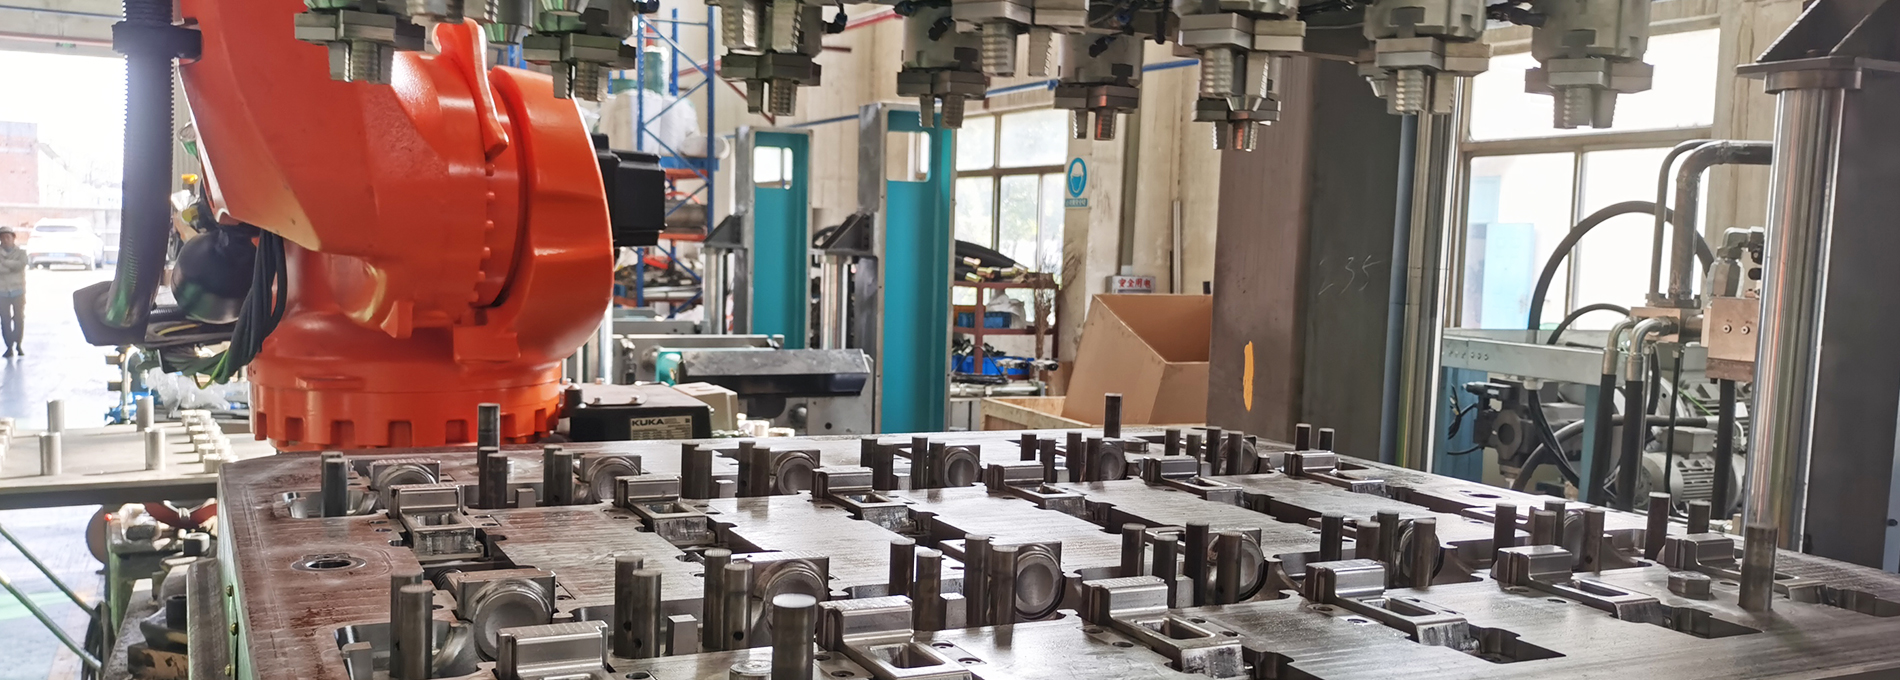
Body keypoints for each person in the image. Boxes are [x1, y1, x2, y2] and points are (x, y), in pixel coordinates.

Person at [0, 227, 25, 357]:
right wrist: (11, 266)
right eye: (2, 237)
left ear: (13, 238)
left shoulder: (21, 253)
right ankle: (9, 346)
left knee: (18, 319)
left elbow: (20, 265)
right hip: (2, 292)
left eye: (7, 237)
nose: (5, 240)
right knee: (5, 320)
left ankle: (18, 344)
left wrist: (4, 263)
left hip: (18, 291)